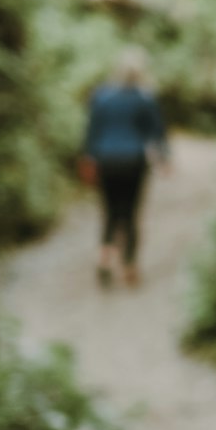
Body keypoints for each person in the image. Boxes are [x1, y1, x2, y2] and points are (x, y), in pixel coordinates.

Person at [82, 48, 168, 286]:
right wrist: (163, 160)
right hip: (133, 162)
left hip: (106, 160)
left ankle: (105, 260)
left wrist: (88, 159)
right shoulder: (145, 98)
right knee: (130, 213)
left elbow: (91, 131)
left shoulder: (101, 96)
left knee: (109, 212)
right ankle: (129, 266)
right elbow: (156, 132)